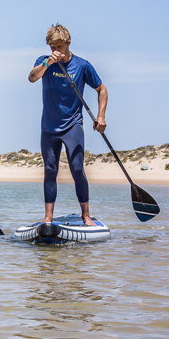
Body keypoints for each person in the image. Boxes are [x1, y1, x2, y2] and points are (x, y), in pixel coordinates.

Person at [28, 24, 108, 226]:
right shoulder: (44, 62)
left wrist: (101, 116)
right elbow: (32, 78)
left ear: (68, 43)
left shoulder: (82, 66)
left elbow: (102, 89)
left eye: (59, 46)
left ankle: (86, 216)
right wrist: (47, 63)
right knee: (50, 170)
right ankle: (48, 217)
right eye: (52, 47)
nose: (56, 50)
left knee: (77, 169)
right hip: (48, 127)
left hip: (73, 125)